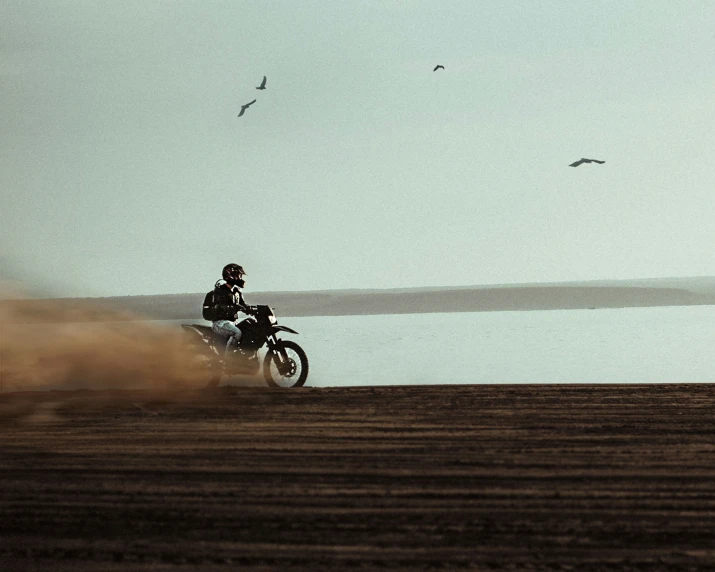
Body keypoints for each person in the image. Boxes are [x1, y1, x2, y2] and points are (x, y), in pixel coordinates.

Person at [210, 263, 253, 358]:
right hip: (220, 323)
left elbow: (243, 305)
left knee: (249, 328)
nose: (240, 277)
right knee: (236, 333)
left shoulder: (237, 291)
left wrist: (253, 309)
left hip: (232, 323)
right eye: (238, 275)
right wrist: (234, 307)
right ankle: (228, 360)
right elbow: (219, 306)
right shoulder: (220, 291)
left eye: (240, 275)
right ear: (230, 276)